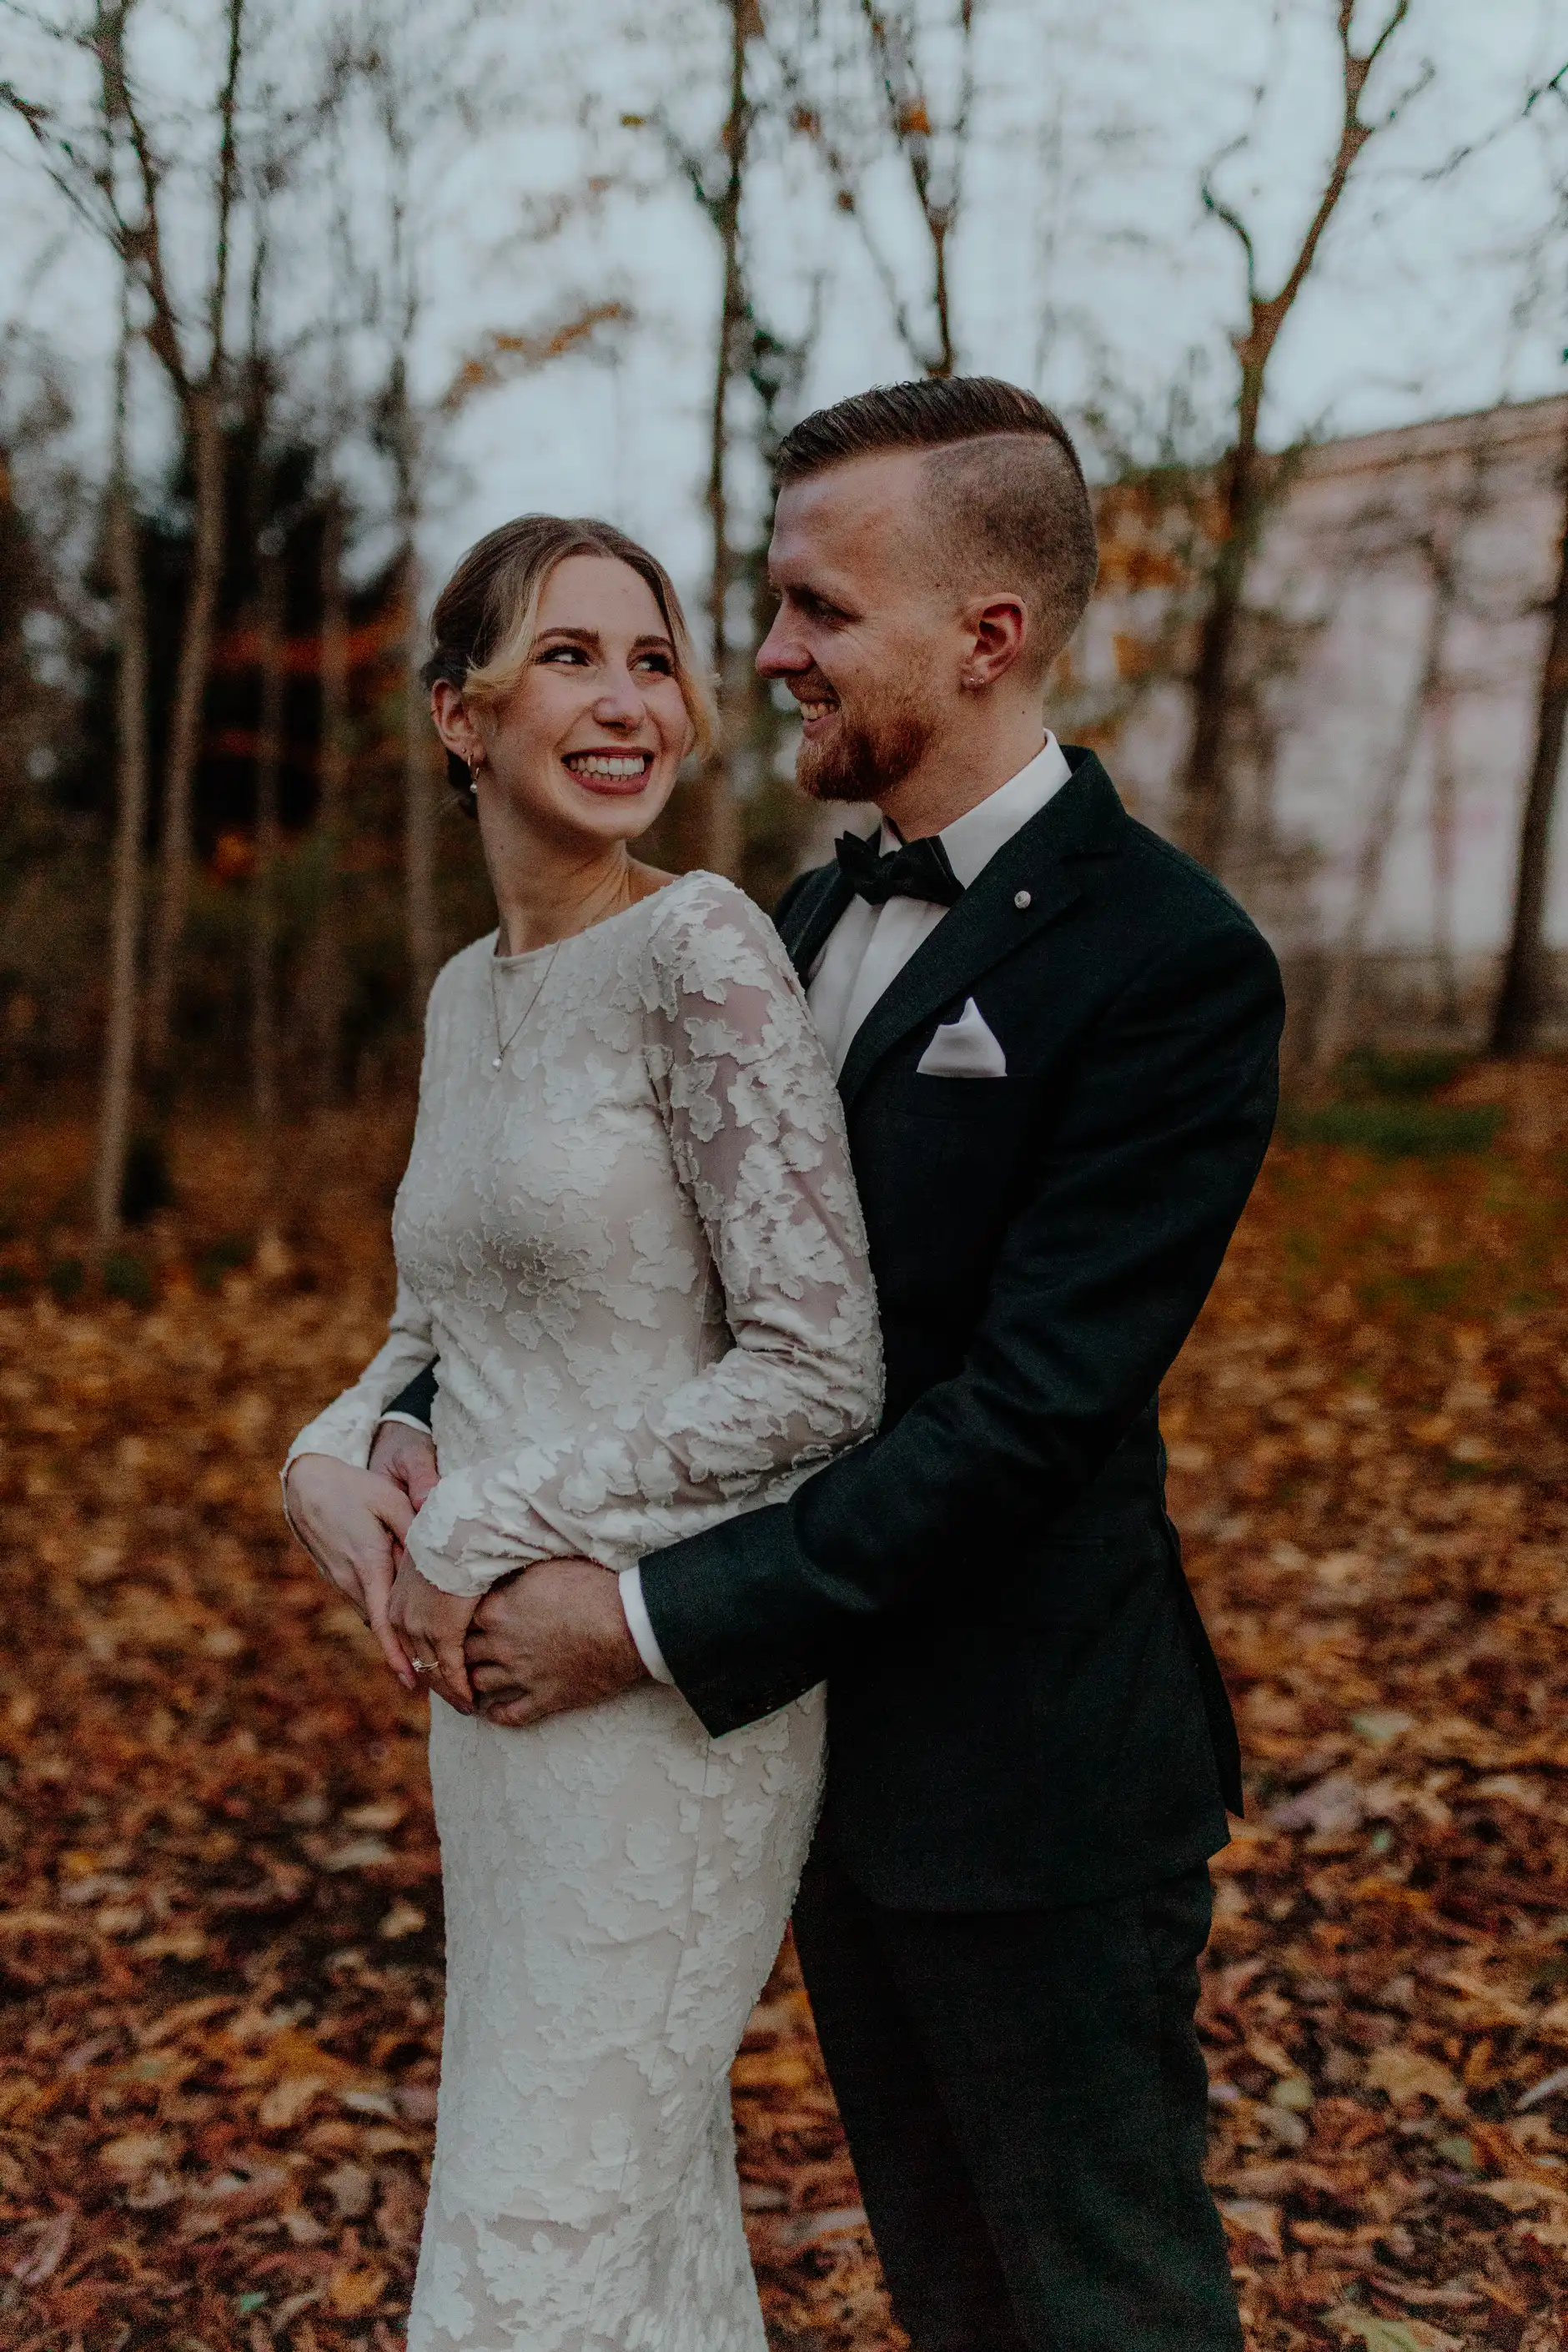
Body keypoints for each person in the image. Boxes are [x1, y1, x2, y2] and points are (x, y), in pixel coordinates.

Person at [360, 378, 1284, 2349]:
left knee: (1097, 2300)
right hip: (802, 1762)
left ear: (987, 633)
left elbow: (1026, 1419)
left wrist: (644, 1619)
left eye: (812, 610)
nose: (764, 654)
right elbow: (623, 1278)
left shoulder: (1167, 961)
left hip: (1027, 1772)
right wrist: (381, 1449)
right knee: (945, 2291)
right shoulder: (782, 916)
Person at [281, 514, 882, 2352]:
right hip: (500, 1720)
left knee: (534, 2225)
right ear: (458, 715)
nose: (628, 701)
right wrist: (337, 1446)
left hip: (658, 1694)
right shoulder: (469, 994)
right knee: (636, 2208)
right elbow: (439, 1323)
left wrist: (493, 1527)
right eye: (568, 657)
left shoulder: (700, 948)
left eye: (650, 658)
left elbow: (819, 1364)